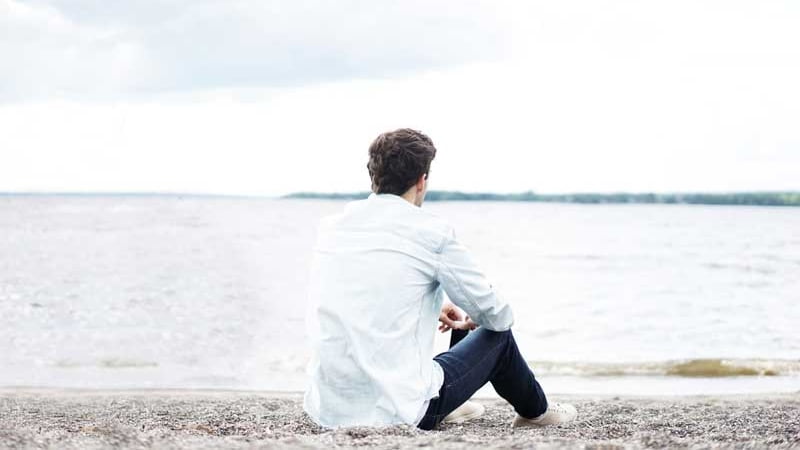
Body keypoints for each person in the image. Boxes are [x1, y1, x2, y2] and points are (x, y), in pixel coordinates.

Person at [303, 128, 577, 430]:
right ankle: (536, 413)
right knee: (499, 338)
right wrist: (477, 316)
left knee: (463, 322)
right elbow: (497, 315)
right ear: (422, 180)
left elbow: (362, 297)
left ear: (373, 176)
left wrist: (434, 306)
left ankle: (454, 402)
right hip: (400, 411)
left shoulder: (333, 227)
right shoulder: (430, 232)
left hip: (329, 408)